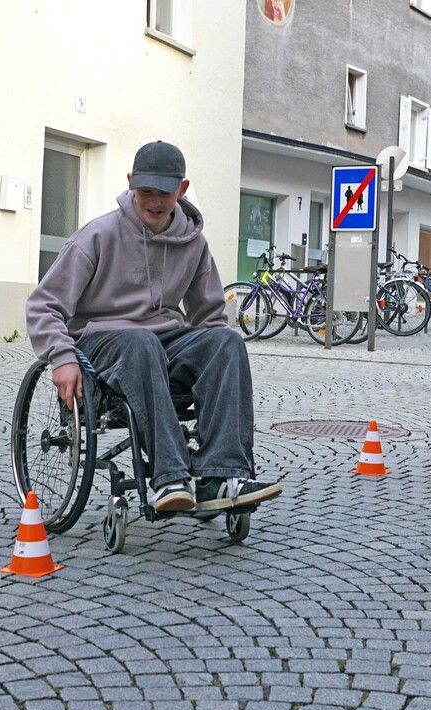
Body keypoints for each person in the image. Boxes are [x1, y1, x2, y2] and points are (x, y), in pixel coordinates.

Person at [26, 141, 282, 514]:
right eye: (146, 191)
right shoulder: (97, 236)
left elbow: (209, 314)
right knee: (140, 342)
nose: (155, 201)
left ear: (182, 189)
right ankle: (171, 477)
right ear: (131, 183)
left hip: (161, 341)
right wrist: (62, 356)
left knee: (226, 342)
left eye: (165, 192)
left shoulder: (193, 244)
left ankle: (221, 476)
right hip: (100, 342)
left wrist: (209, 358)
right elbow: (43, 304)